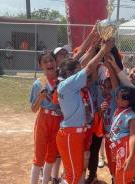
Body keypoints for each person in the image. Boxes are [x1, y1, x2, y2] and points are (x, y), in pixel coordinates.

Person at [55, 39, 114, 184]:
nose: (79, 74)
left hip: (76, 133)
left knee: (76, 171)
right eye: (76, 72)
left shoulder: (68, 83)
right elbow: (88, 67)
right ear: (69, 73)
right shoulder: (66, 85)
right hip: (70, 134)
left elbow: (84, 64)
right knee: (73, 174)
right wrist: (102, 50)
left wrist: (95, 45)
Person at [29, 52, 63, 184]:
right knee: (39, 155)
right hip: (44, 118)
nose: (49, 64)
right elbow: (33, 109)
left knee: (51, 155)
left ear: (56, 63)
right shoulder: (39, 83)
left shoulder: (62, 81)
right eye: (45, 62)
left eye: (51, 61)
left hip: (58, 120)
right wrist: (40, 98)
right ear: (40, 65)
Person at [86, 55, 119, 183]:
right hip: (99, 125)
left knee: (113, 155)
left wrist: (108, 63)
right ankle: (92, 174)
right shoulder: (98, 91)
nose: (106, 89)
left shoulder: (116, 94)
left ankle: (114, 177)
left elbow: (115, 83)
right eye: (104, 87)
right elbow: (94, 78)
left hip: (112, 129)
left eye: (109, 87)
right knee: (93, 150)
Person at [109, 86, 135, 184]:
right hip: (118, 148)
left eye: (118, 97)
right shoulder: (118, 110)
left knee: (123, 178)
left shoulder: (131, 116)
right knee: (119, 175)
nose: (116, 99)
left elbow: (133, 136)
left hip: (126, 149)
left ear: (126, 102)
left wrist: (131, 156)